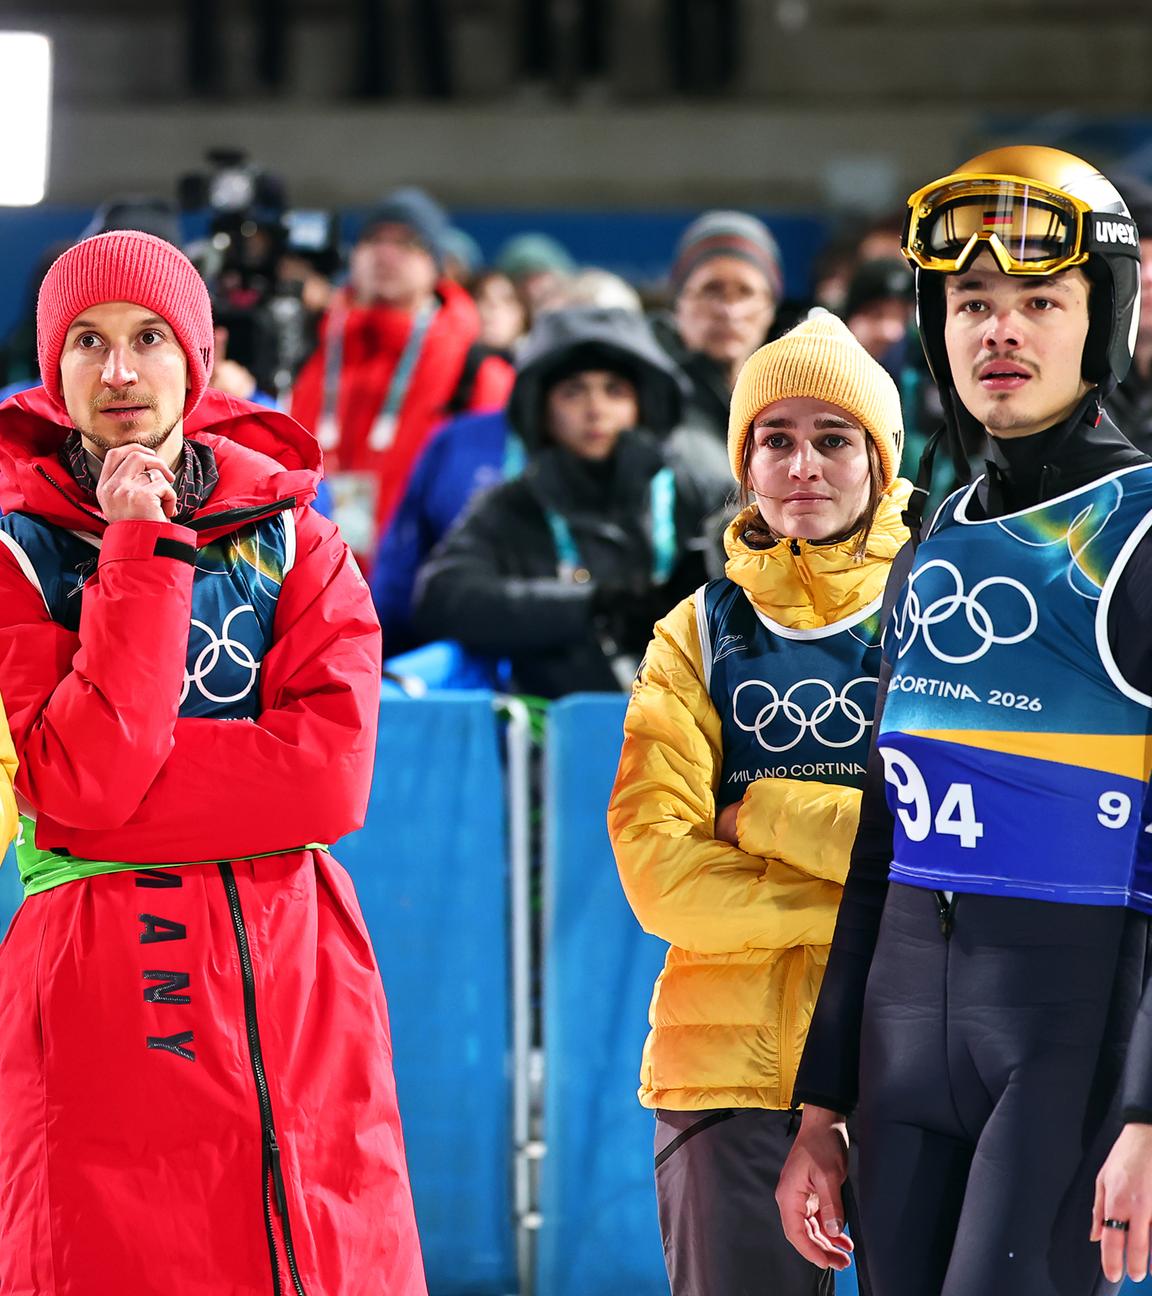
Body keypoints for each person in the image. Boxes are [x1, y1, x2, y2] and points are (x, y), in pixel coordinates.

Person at [0, 230, 426, 1294]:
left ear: (197, 354)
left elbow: (329, 778)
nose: (119, 371)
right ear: (52, 372)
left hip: (297, 972)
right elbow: (74, 788)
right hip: (107, 979)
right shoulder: (16, 554)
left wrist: (123, 796)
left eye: (148, 338)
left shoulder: (296, 538)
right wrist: (138, 551)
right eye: (87, 343)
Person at [777, 145, 1152, 1295]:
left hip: (1066, 1045)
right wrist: (820, 1100)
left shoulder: (1142, 531)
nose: (1001, 330)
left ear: (1106, 322)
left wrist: (1147, 1111)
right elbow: (880, 845)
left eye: (1042, 302)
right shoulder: (927, 544)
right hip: (900, 1044)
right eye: (972, 302)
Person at [608, 310, 908, 1295]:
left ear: (880, 458)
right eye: (776, 439)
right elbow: (662, 881)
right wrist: (870, 909)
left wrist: (766, 818)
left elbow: (943, 838)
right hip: (723, 1069)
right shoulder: (691, 635)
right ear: (744, 463)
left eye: (834, 439)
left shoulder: (942, 613)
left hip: (912, 1052)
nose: (804, 465)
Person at [410, 305, 717, 697]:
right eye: (573, 391)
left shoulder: (696, 492)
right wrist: (595, 607)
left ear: (643, 405)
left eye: (615, 390)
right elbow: (441, 597)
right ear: (543, 409)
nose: (595, 409)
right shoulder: (510, 505)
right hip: (558, 739)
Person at [289, 186, 514, 567]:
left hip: (420, 590)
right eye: (373, 239)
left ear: (437, 265)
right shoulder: (312, 350)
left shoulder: (475, 369)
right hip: (310, 580)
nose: (386, 252)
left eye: (408, 243)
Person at [652, 209, 783, 446]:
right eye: (711, 290)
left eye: (746, 292)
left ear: (770, 309)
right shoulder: (645, 397)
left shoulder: (791, 402)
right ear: (678, 304)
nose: (729, 312)